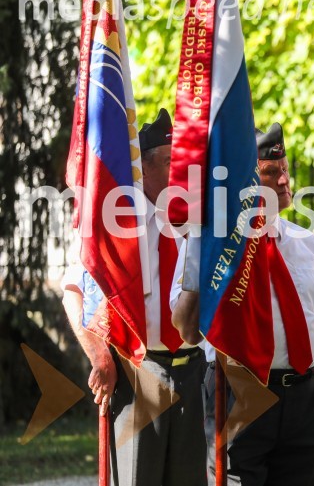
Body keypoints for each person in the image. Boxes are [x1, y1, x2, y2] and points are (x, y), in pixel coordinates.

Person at [172, 122, 314, 486]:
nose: (285, 181)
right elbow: (187, 330)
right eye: (271, 173)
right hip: (241, 395)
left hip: (306, 397)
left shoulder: (307, 244)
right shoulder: (211, 247)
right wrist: (202, 249)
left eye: (285, 170)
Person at [60, 108, 207, 486]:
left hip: (192, 372)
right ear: (142, 169)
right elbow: (75, 294)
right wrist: (99, 356)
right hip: (137, 370)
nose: (180, 174)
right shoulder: (119, 224)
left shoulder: (195, 223)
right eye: (170, 162)